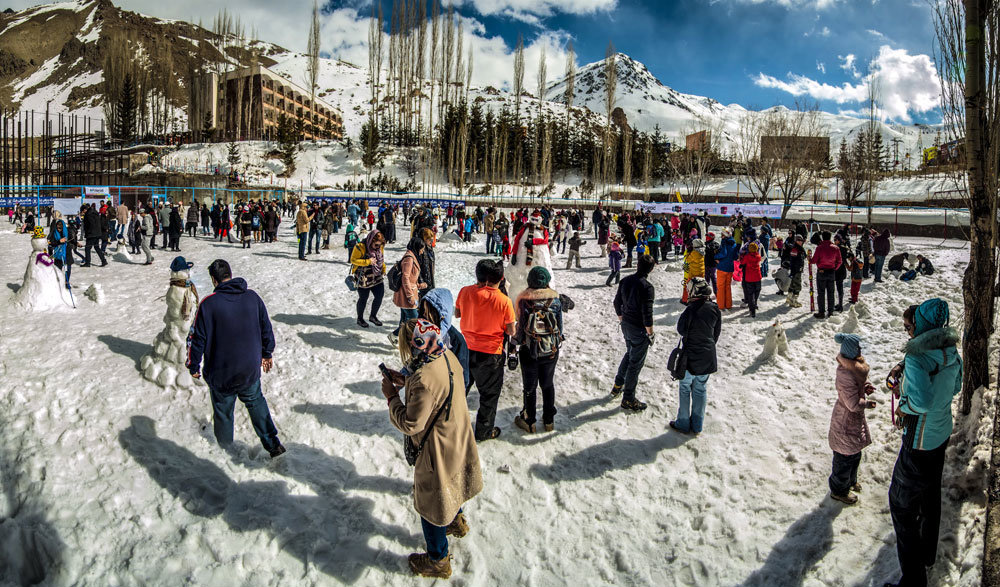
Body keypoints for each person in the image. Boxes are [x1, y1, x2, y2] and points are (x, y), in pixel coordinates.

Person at [381, 319, 483, 579]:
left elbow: (411, 424)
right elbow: (439, 388)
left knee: (432, 503)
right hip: (458, 435)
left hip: (438, 448)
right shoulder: (446, 353)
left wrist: (392, 397)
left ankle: (438, 559)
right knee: (454, 482)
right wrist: (406, 380)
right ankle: (456, 520)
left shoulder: (423, 380)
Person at [884, 299, 962, 587]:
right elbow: (955, 386)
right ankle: (928, 553)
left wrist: (904, 405)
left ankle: (914, 580)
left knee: (901, 506)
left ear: (920, 324)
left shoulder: (917, 358)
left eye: (911, 324)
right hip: (941, 433)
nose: (909, 330)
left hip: (919, 440)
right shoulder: (950, 350)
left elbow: (922, 400)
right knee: (930, 496)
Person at [186, 259, 286, 458]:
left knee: (223, 411)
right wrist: (267, 353)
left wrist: (193, 365)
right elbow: (266, 328)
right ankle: (273, 444)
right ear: (230, 275)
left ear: (214, 280)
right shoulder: (252, 297)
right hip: (249, 368)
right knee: (256, 402)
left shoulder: (209, 304)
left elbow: (197, 339)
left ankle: (225, 451)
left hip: (221, 372)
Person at [455, 259, 515, 441]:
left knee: (460, 391)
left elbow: (457, 313)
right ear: (499, 279)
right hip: (491, 355)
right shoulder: (504, 301)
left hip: (466, 349)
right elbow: (511, 330)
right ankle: (483, 431)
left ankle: (451, 424)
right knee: (488, 396)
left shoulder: (465, 291)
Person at [511, 267, 564, 434]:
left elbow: (519, 330)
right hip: (550, 349)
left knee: (530, 387)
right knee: (548, 385)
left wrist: (514, 343)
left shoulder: (524, 300)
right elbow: (560, 328)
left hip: (529, 350)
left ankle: (529, 421)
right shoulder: (555, 300)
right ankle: (549, 420)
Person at [827, 333, 876, 505]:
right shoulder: (845, 374)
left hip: (853, 422)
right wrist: (867, 403)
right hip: (845, 422)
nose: (861, 350)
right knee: (844, 459)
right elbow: (853, 404)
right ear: (852, 351)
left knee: (854, 453)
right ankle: (839, 490)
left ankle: (851, 480)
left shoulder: (854, 367)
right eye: (858, 348)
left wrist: (866, 386)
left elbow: (860, 382)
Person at [670, 277, 721, 434]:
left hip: (689, 358)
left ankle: (683, 422)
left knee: (685, 388)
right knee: (700, 390)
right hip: (707, 356)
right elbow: (716, 334)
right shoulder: (714, 308)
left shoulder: (690, 310)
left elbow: (681, 330)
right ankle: (698, 424)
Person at [611, 254, 656, 412]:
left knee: (630, 354)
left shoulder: (626, 280)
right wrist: (650, 333)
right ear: (651, 268)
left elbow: (617, 302)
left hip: (626, 324)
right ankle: (628, 398)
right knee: (635, 364)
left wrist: (622, 317)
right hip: (639, 328)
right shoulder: (647, 287)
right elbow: (647, 314)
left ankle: (618, 385)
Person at [420, 288, 471, 390]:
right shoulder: (422, 332)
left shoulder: (455, 341)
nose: (426, 319)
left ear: (443, 316)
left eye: (430, 314)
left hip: (443, 394)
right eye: (423, 313)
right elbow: (414, 360)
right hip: (422, 389)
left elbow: (463, 378)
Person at [391, 237, 427, 342]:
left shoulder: (412, 256)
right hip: (406, 296)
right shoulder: (409, 258)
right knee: (414, 321)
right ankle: (397, 336)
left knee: (404, 320)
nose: (422, 251)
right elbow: (405, 277)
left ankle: (398, 339)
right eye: (422, 248)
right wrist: (410, 296)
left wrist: (419, 285)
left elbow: (410, 277)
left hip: (408, 293)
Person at [351, 231, 387, 328]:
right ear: (371, 240)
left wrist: (383, 269)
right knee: (363, 298)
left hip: (377, 276)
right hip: (364, 277)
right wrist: (368, 261)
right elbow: (353, 260)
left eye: (380, 245)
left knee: (379, 296)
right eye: (376, 245)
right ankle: (360, 318)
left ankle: (373, 316)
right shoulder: (360, 247)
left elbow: (381, 259)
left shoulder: (380, 247)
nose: (378, 247)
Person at [811, 231, 843, 319]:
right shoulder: (836, 248)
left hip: (821, 272)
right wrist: (834, 268)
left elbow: (813, 260)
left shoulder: (819, 248)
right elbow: (839, 261)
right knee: (831, 292)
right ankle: (830, 311)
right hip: (831, 272)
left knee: (821, 292)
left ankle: (821, 312)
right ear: (830, 237)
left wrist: (810, 259)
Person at [781, 234, 807, 308]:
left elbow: (804, 256)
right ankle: (794, 301)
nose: (800, 242)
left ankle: (789, 298)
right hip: (796, 270)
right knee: (797, 285)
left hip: (797, 269)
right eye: (798, 240)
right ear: (795, 241)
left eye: (801, 240)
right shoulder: (795, 249)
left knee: (792, 284)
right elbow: (795, 260)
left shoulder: (800, 248)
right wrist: (796, 269)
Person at [714, 229, 737, 310]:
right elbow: (735, 256)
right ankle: (728, 304)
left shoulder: (724, 242)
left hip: (722, 267)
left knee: (720, 287)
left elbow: (723, 253)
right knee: (727, 287)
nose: (721, 236)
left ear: (725, 235)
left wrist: (716, 256)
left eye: (722, 235)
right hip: (730, 268)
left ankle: (720, 305)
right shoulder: (733, 243)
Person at [739, 242, 763, 317]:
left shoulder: (747, 257)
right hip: (757, 277)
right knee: (757, 291)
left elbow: (742, 262)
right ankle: (754, 303)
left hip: (749, 278)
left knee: (750, 293)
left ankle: (752, 310)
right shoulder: (758, 256)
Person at [681, 239, 705, 305]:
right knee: (700, 287)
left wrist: (688, 252)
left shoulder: (693, 253)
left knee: (690, 287)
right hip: (701, 272)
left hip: (693, 273)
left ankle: (687, 299)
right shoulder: (702, 251)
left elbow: (687, 260)